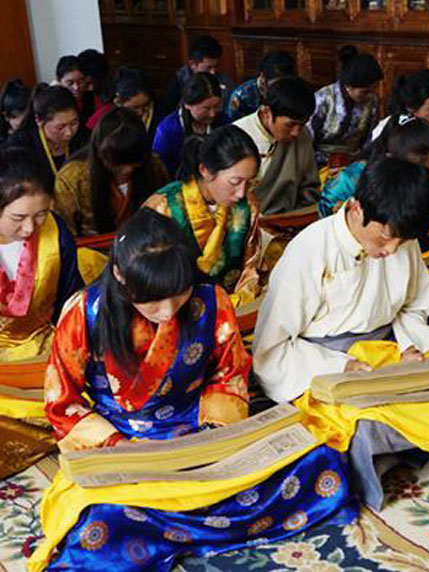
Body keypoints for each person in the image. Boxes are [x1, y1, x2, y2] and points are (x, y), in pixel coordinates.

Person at [32, 208, 354, 572]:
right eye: (152, 300)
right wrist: (118, 447)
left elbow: (229, 374)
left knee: (320, 460)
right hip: (123, 441)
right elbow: (63, 402)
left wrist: (216, 436)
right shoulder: (85, 313)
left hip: (198, 431)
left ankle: (179, 521)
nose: (168, 311)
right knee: (100, 522)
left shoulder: (212, 302)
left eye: (178, 294)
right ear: (120, 276)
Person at [252, 157, 429, 508]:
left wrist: (409, 345)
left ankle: (400, 446)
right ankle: (387, 446)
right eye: (387, 238)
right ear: (357, 209)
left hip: (391, 350)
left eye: (401, 241)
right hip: (326, 365)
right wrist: (341, 366)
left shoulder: (401, 242)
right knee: (358, 423)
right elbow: (272, 349)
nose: (391, 250)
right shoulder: (309, 250)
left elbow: (413, 307)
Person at [144, 125, 264, 307]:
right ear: (205, 170)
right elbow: (149, 276)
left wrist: (236, 302)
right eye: (235, 182)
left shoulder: (248, 204)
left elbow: (251, 267)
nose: (241, 193)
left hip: (233, 305)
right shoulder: (163, 207)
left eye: (249, 183)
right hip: (176, 307)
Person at [0, 147, 82, 362]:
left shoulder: (56, 233)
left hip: (43, 347)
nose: (29, 228)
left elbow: (71, 299)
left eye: (41, 214)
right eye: (18, 217)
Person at [54, 107, 169, 237]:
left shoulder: (154, 167)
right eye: (118, 165)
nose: (127, 170)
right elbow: (65, 232)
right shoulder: (72, 177)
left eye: (134, 163)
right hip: (94, 250)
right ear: (100, 154)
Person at [318, 114, 429, 218]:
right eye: (421, 170)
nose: (425, 177)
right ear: (390, 157)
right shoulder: (354, 178)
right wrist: (344, 213)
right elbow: (326, 209)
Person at [234, 76, 319, 214]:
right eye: (290, 125)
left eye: (302, 125)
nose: (296, 133)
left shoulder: (303, 135)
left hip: (289, 219)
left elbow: (309, 188)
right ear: (267, 113)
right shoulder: (237, 135)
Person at [307, 46, 383, 167]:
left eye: (374, 90)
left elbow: (370, 139)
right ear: (349, 86)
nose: (371, 95)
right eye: (365, 92)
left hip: (354, 162)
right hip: (320, 163)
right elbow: (307, 139)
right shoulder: (323, 99)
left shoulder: (372, 102)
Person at [7, 85, 90, 190]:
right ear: (39, 120)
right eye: (60, 127)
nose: (69, 133)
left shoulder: (84, 136)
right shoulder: (20, 146)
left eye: (74, 123)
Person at [153, 72, 224, 176]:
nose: (213, 114)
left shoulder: (224, 122)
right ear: (187, 104)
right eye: (206, 109)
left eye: (217, 106)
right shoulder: (167, 130)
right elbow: (160, 169)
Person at [159, 34, 235, 117]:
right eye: (208, 68)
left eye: (216, 66)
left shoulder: (227, 82)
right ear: (192, 64)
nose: (213, 72)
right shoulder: (179, 81)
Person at [225, 50, 295, 123]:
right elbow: (231, 127)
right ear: (263, 78)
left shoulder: (290, 90)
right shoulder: (241, 95)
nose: (281, 88)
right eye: (276, 84)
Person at [87, 67, 157, 140]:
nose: (141, 112)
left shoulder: (153, 116)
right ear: (118, 101)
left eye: (146, 105)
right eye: (135, 107)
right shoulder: (101, 119)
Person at [55, 55, 96, 126]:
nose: (76, 87)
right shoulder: (53, 104)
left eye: (80, 81)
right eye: (70, 83)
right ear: (59, 81)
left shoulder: (92, 98)